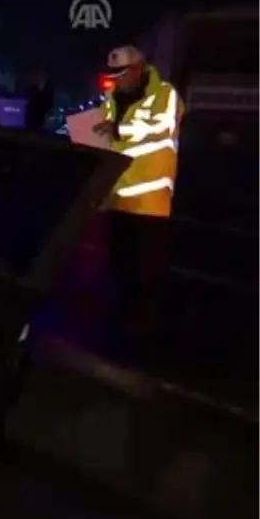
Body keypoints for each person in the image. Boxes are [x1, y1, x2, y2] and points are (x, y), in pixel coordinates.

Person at [92, 45, 185, 335]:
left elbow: (160, 126)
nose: (116, 81)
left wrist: (116, 130)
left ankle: (144, 325)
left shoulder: (165, 94)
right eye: (112, 75)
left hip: (149, 199)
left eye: (121, 74)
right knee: (119, 263)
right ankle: (121, 318)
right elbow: (101, 136)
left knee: (146, 268)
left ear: (138, 69)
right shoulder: (111, 99)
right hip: (118, 197)